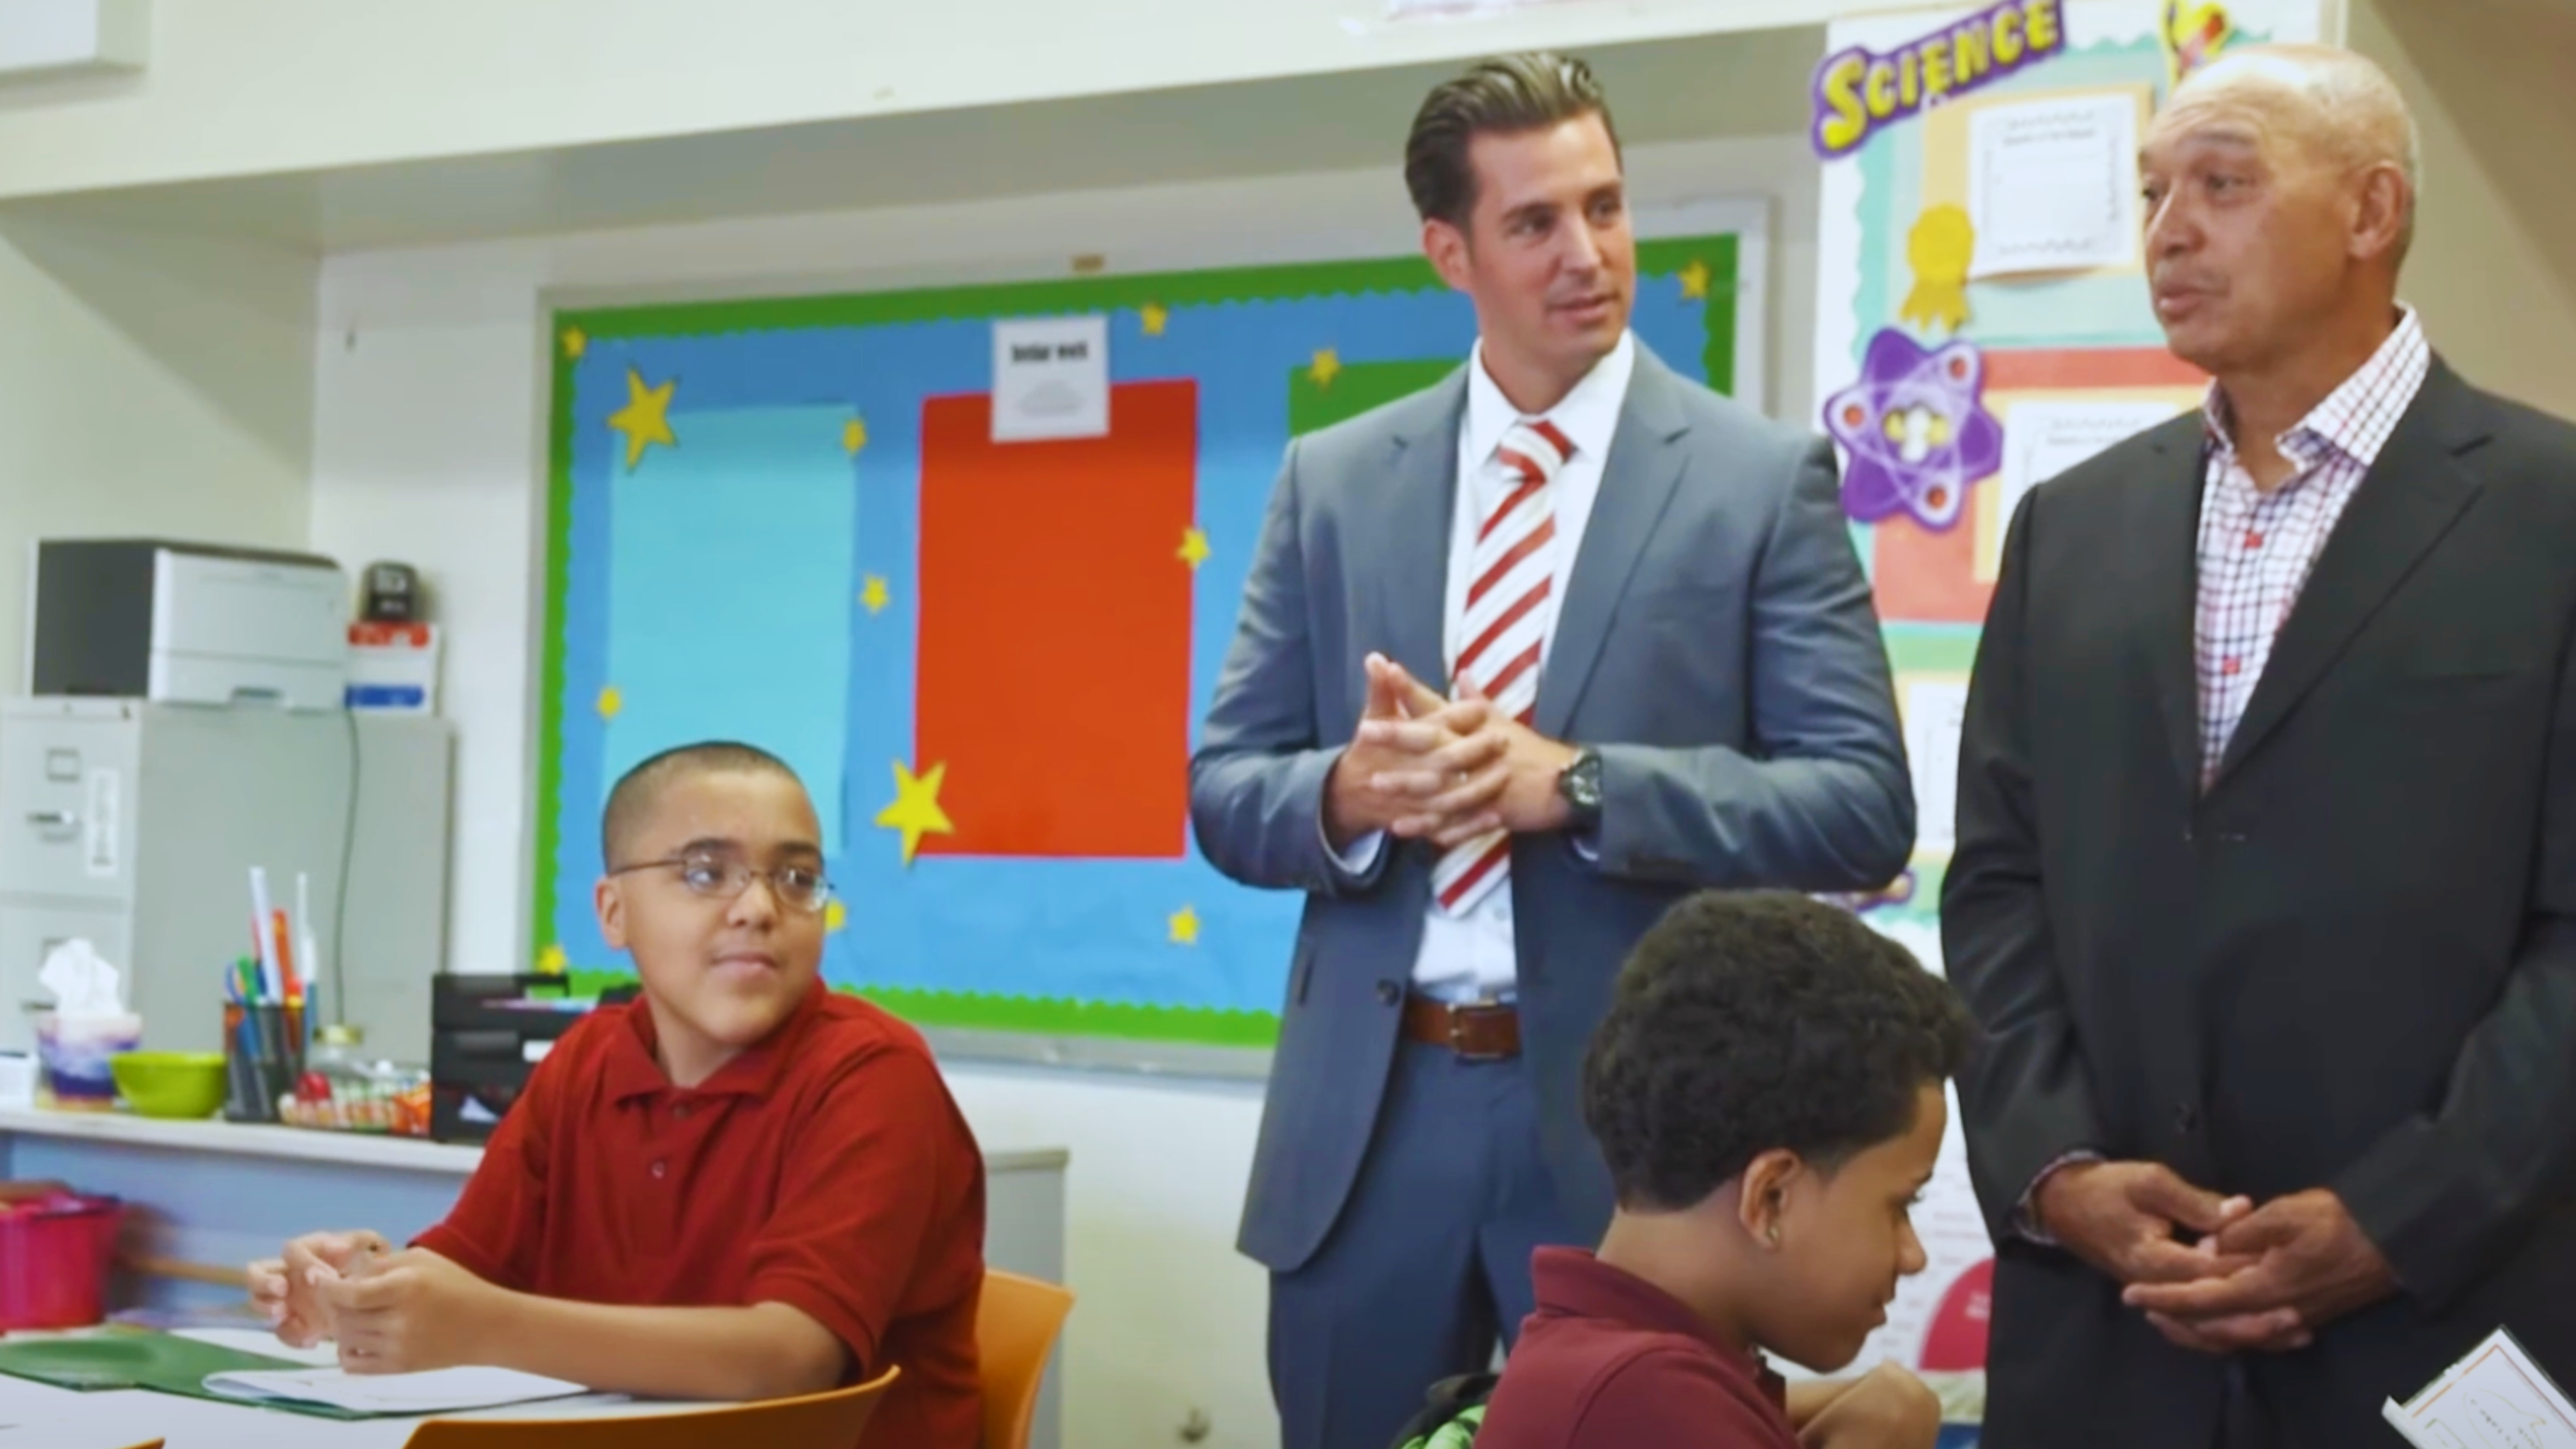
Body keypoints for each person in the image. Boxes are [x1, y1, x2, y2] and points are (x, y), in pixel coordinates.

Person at [1190, 50, 1914, 1449]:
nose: (1587, 253)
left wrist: (1578, 785)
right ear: (1447, 252)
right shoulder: (1333, 480)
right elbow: (1225, 789)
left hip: (1632, 1134)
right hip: (1369, 1125)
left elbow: (1860, 803)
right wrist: (1349, 790)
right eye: (1534, 222)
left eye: (1605, 207)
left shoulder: (1757, 480)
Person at [1945, 43, 2576, 1448]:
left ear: (2369, 211)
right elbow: (1995, 885)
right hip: (2106, 1341)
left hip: (2440, 1323)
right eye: (2151, 192)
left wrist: (2396, 1216)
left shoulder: (2551, 512)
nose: (2168, 231)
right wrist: (2053, 1169)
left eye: (2221, 185)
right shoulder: (2069, 528)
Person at [248, 742, 987, 1447]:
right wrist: (365, 1287)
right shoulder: (589, 1060)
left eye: (797, 877)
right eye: (706, 872)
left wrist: (481, 1325)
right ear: (613, 911)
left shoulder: (871, 1074)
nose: (761, 906)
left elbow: (790, 1358)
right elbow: (470, 1270)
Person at [1477, 891, 1965, 1449]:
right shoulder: (1645, 1400)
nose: (1912, 1255)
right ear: (1770, 1197)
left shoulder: (1611, 1373)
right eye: (1900, 1205)